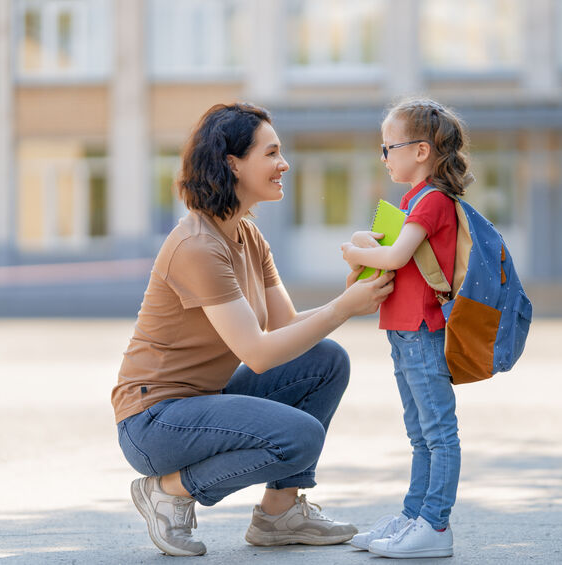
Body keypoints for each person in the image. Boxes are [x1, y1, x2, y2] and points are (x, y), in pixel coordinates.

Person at [111, 102, 395, 557]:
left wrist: (348, 300)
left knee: (325, 359)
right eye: (272, 153)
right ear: (232, 164)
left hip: (204, 404)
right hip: (155, 424)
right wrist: (342, 308)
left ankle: (279, 514)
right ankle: (168, 490)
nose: (284, 164)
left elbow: (285, 328)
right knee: (301, 437)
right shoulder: (197, 245)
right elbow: (259, 354)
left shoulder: (247, 235)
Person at [340, 98, 474, 559]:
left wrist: (355, 253)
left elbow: (395, 257)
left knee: (438, 433)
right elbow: (397, 254)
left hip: (422, 329)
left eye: (388, 148)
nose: (384, 157)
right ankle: (415, 515)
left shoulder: (433, 200)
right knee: (420, 433)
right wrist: (364, 244)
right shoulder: (413, 199)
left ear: (420, 151)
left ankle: (435, 526)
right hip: (403, 329)